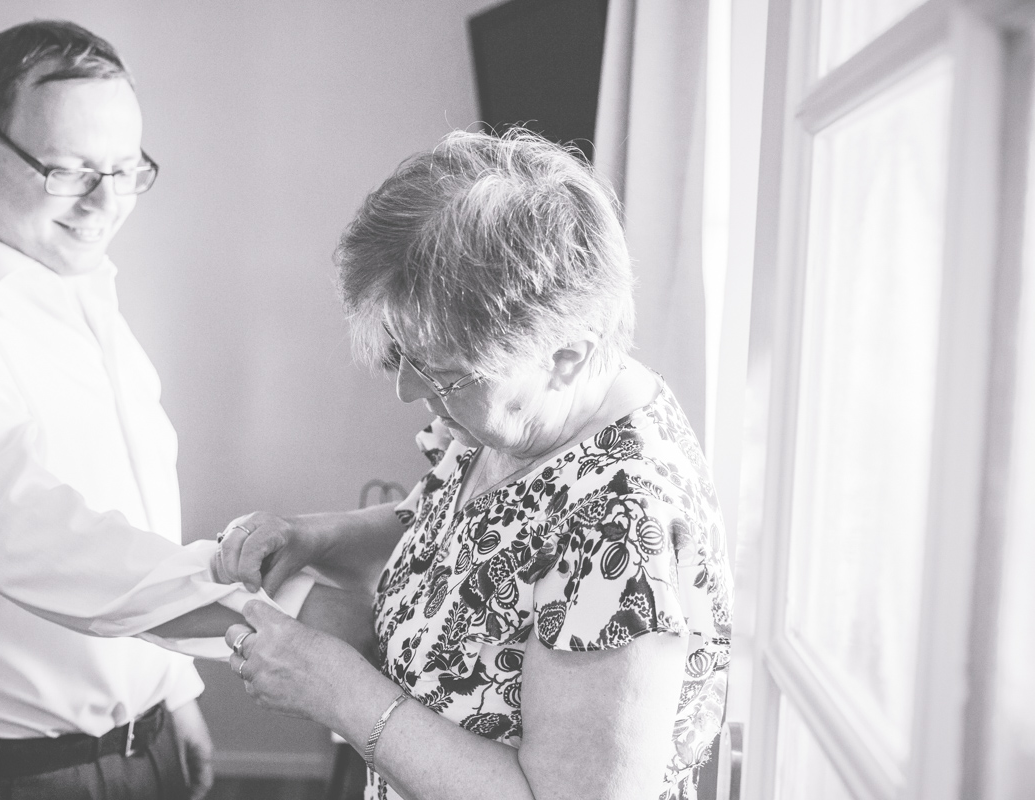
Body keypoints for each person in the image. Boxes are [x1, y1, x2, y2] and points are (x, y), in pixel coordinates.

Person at [0, 20, 307, 800]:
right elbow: (42, 539)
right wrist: (281, 619)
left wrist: (173, 697)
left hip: (144, 745)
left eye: (126, 170)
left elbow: (136, 520)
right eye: (70, 170)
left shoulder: (93, 308)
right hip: (2, 778)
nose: (106, 202)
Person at [212, 130, 735, 800]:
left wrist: (342, 693)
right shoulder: (528, 412)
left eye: (447, 377)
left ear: (567, 352)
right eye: (400, 353)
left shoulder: (621, 524)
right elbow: (466, 539)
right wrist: (316, 537)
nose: (408, 392)